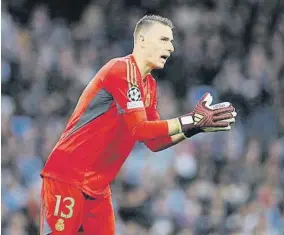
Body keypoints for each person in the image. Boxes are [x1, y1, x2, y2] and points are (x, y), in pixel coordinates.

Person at [40, 15, 237, 235]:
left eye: (171, 41)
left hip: (97, 187)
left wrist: (194, 127)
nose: (170, 48)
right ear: (142, 41)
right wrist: (190, 119)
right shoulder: (121, 69)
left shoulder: (149, 86)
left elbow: (153, 141)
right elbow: (139, 128)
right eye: (163, 40)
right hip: (68, 176)